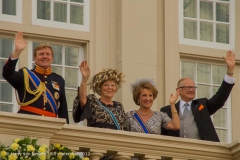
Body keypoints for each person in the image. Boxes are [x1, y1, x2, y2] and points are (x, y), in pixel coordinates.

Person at [160, 51, 235, 142]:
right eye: (187, 87)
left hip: (202, 151)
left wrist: (230, 71)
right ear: (178, 90)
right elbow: (162, 136)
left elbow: (219, 98)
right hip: (176, 152)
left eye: (193, 87)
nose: (191, 90)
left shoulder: (202, 105)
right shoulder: (166, 110)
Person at [2, 31, 69, 123]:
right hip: (27, 122)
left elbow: (63, 109)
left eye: (47, 54)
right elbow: (7, 73)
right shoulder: (25, 75)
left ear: (52, 59)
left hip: (50, 125)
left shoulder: (59, 80)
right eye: (41, 54)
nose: (45, 57)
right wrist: (17, 52)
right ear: (35, 58)